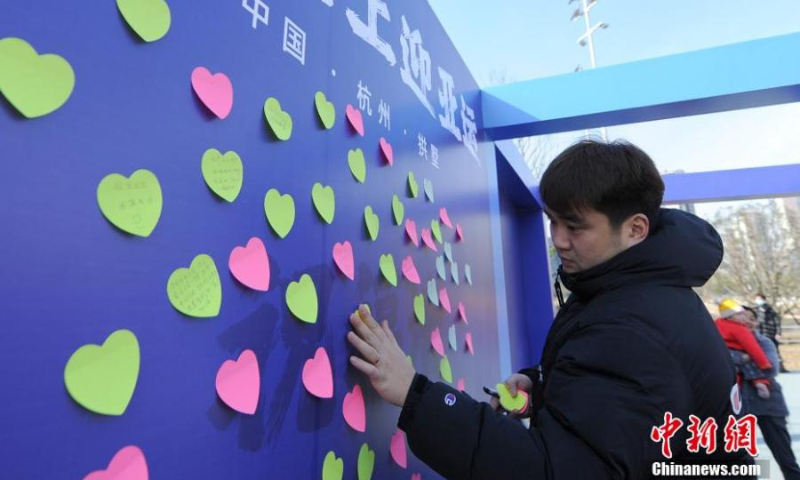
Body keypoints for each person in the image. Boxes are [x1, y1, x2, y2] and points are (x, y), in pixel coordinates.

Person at [346, 140, 753, 479]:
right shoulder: (634, 290)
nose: (558, 240)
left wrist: (418, 396)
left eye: (574, 226)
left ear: (635, 229)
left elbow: (551, 472)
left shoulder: (634, 329)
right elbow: (612, 408)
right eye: (552, 221)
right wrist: (543, 386)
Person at [734, 306, 800, 479]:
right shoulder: (720, 344)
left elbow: (770, 369)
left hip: (769, 404)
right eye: (742, 317)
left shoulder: (764, 342)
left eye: (751, 318)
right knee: (742, 459)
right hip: (738, 407)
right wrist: (748, 358)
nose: (747, 321)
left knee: (785, 457)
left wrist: (739, 362)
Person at [714, 299, 773, 399]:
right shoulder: (739, 329)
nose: (744, 318)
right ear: (729, 317)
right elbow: (753, 348)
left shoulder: (716, 323)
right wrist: (764, 363)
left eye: (744, 315)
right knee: (752, 365)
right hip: (735, 354)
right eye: (740, 315)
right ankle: (760, 382)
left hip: (719, 354)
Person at [754, 293, 789, 373]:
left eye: (760, 299)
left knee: (775, 351)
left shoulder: (771, 310)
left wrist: (778, 333)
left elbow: (777, 322)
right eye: (757, 299)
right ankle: (762, 368)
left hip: (770, 333)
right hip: (759, 333)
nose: (759, 301)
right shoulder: (754, 310)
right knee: (759, 351)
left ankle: (780, 368)